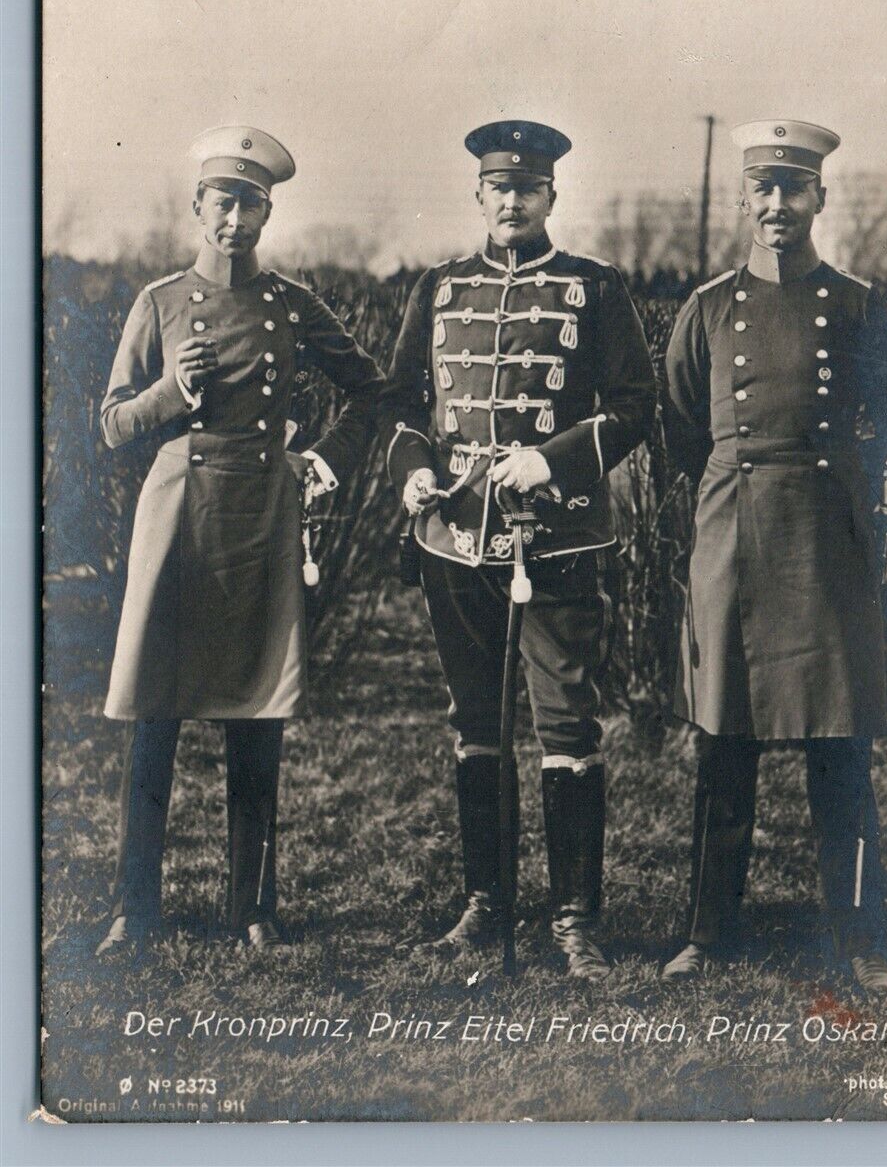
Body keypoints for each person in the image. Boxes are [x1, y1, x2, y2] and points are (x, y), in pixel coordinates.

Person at [95, 126, 383, 954]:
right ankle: (133, 909)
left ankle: (251, 906)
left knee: (256, 711)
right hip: (178, 516)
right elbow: (112, 423)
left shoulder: (291, 304)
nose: (236, 220)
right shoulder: (156, 301)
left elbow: (368, 388)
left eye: (252, 204)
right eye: (224, 202)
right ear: (197, 207)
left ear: (268, 212)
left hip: (260, 514)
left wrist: (321, 462)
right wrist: (165, 393)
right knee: (156, 711)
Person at [380, 121, 656, 978]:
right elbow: (400, 405)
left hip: (559, 539)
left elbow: (636, 404)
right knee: (476, 725)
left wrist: (554, 456)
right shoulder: (439, 287)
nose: (511, 200)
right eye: (498, 188)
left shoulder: (593, 288)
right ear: (477, 194)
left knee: (566, 725)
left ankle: (574, 918)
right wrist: (414, 474)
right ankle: (485, 902)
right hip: (456, 540)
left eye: (526, 189)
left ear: (549, 198)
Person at [662, 119, 887, 994]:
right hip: (732, 530)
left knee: (838, 746)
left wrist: (869, 483)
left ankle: (859, 937)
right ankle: (708, 935)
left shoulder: (853, 304)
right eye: (762, 189)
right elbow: (675, 429)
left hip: (823, 537)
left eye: (794, 189)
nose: (777, 205)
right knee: (722, 743)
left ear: (820, 196)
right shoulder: (706, 308)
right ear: (744, 197)